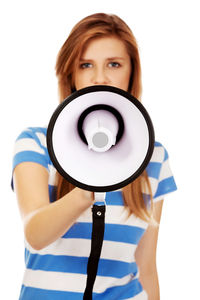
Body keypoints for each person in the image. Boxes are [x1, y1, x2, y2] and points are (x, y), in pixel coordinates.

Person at [12, 13, 177, 300]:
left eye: (114, 64)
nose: (100, 77)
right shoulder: (35, 143)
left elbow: (147, 266)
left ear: (131, 73)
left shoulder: (154, 157)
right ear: (71, 74)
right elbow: (35, 234)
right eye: (85, 65)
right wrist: (87, 186)